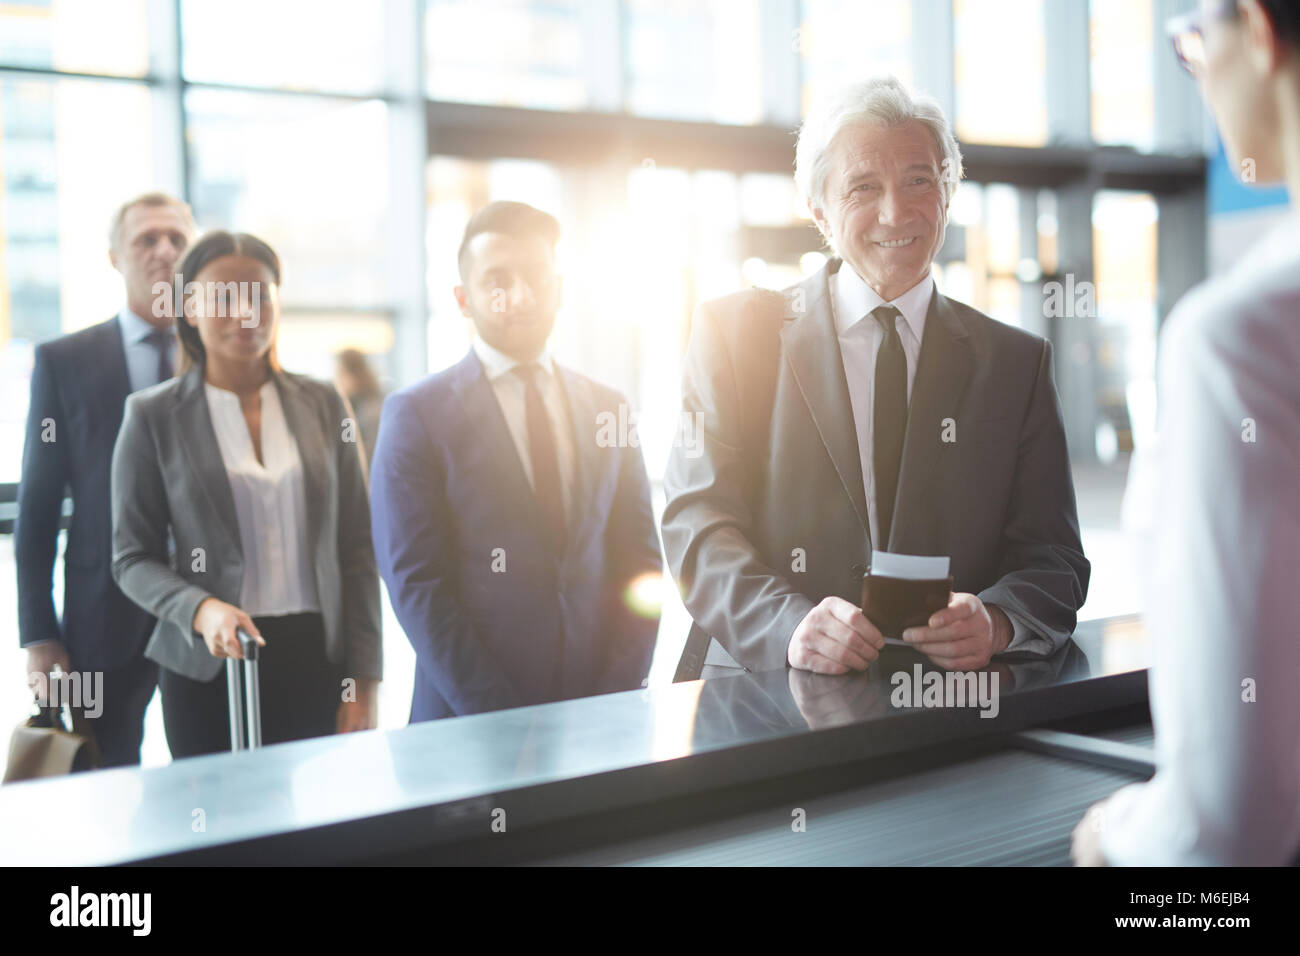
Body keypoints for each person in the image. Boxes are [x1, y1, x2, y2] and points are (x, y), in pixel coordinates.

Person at [662, 76, 1089, 679]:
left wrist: (997, 621)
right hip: (768, 700)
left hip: (953, 709)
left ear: (948, 191)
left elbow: (1056, 559)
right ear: (820, 212)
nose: (897, 211)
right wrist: (789, 625)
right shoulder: (734, 337)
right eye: (864, 187)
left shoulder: (1017, 364)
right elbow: (696, 525)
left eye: (919, 180)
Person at [1072, 0, 1300, 866]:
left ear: (1259, 27)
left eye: (1194, 41)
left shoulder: (1241, 340)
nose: (1198, 71)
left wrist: (1110, 840)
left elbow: (1226, 835)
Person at [370, 201, 662, 721]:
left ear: (560, 288)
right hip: (468, 725)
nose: (522, 296)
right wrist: (500, 720)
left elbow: (640, 563)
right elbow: (418, 587)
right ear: (464, 299)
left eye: (536, 277)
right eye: (498, 280)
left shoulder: (608, 407)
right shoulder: (416, 415)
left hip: (598, 717)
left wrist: (616, 693)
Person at [110, 231, 382, 758]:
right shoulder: (152, 415)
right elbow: (131, 557)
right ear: (189, 306)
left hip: (316, 657)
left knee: (324, 834)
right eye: (223, 298)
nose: (246, 314)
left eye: (259, 296)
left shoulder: (324, 402)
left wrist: (365, 679)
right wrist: (200, 607)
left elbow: (357, 548)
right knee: (222, 830)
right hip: (208, 662)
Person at [16, 192, 195, 766]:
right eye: (147, 239)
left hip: (205, 605)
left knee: (215, 771)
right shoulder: (62, 361)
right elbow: (39, 507)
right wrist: (39, 636)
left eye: (176, 239)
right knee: (106, 779)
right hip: (101, 616)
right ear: (115, 257)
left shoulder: (219, 356)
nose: (164, 251)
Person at [335, 348, 385, 470]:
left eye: (341, 374)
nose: (338, 380)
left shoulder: (372, 407)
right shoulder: (351, 404)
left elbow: (357, 452)